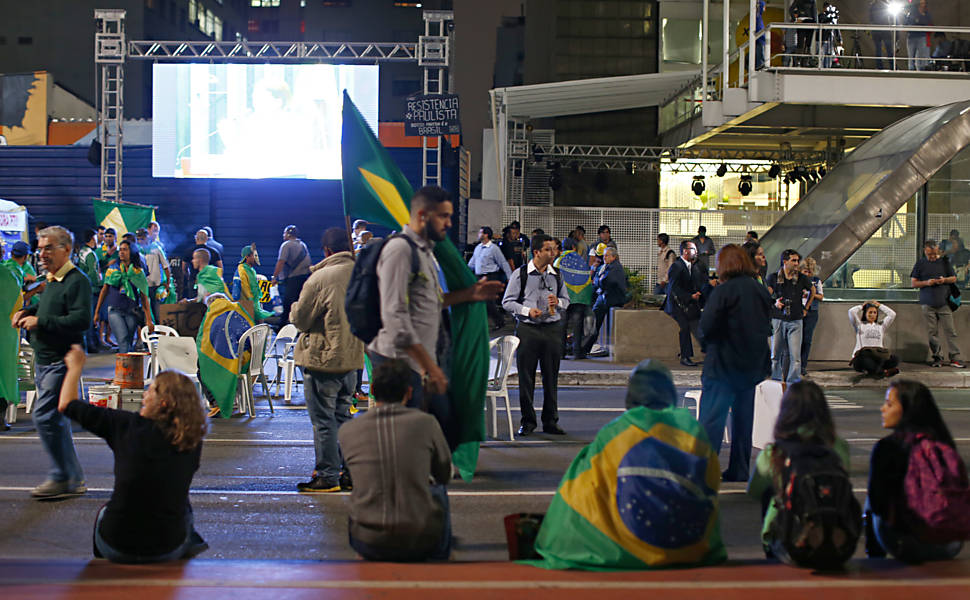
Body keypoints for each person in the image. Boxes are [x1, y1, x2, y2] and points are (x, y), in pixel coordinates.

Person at [531, 360, 726, 570]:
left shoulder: (616, 432)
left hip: (626, 543)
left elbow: (582, 486)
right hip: (686, 544)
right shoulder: (692, 431)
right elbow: (711, 483)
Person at [368, 186, 503, 448]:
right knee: (408, 444)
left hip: (419, 364)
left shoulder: (425, 253)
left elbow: (429, 303)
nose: (449, 223)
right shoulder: (400, 251)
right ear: (422, 215)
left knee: (442, 436)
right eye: (443, 216)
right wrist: (430, 368)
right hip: (400, 365)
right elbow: (395, 316)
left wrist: (469, 295)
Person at [57, 345, 208, 563]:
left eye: (151, 390)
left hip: (117, 545)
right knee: (182, 504)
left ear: (163, 403)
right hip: (167, 549)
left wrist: (75, 367)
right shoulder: (191, 440)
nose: (144, 395)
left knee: (104, 513)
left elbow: (67, 404)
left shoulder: (125, 425)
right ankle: (187, 546)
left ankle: (102, 566)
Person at [338, 358, 453, 562]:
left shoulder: (348, 430)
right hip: (420, 537)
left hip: (367, 539)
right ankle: (441, 560)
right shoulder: (426, 423)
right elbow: (444, 474)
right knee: (438, 491)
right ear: (409, 392)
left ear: (372, 389)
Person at [12, 226, 91, 499]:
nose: (41, 254)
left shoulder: (77, 280)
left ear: (66, 249)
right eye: (40, 248)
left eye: (48, 248)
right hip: (45, 361)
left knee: (44, 416)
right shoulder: (54, 279)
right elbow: (49, 306)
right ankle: (73, 478)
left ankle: (61, 476)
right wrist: (27, 311)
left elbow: (81, 319)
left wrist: (40, 322)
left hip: (61, 360)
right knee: (56, 420)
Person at [747, 380, 856, 568]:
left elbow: (754, 491)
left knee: (769, 492)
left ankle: (772, 543)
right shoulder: (838, 447)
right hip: (838, 538)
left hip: (791, 541)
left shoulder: (775, 453)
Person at [291, 228, 363, 493]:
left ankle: (328, 476)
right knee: (343, 417)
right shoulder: (362, 274)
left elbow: (301, 320)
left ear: (327, 251)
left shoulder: (320, 278)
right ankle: (349, 473)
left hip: (323, 358)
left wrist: (293, 308)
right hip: (352, 357)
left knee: (323, 421)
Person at [866, 380, 965, 563]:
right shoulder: (943, 443)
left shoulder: (888, 447)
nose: (883, 409)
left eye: (889, 404)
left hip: (906, 544)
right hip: (950, 544)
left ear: (906, 410)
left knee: (870, 502)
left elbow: (877, 502)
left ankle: (874, 556)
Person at [698, 244, 772, 482]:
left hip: (723, 364)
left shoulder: (724, 291)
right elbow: (767, 326)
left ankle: (705, 471)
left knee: (712, 420)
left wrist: (706, 346)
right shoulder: (759, 290)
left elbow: (707, 326)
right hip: (750, 365)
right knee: (743, 420)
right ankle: (739, 469)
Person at [502, 233, 570, 436]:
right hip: (528, 330)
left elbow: (567, 300)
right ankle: (528, 422)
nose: (553, 253)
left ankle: (551, 421)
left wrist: (558, 302)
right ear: (537, 252)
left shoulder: (557, 275)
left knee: (551, 377)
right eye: (548, 249)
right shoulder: (521, 274)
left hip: (552, 330)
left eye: (554, 249)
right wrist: (526, 311)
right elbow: (507, 302)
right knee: (526, 378)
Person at [94, 240, 154, 354]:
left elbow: (144, 297)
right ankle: (125, 364)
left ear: (132, 252)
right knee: (123, 339)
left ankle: (127, 364)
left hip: (132, 311)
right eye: (120, 250)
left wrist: (149, 320)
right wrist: (97, 312)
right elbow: (104, 291)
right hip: (114, 311)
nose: (121, 252)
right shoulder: (113, 270)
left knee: (128, 342)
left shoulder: (137, 272)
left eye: (125, 250)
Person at [910, 240, 963, 368]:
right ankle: (937, 357)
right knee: (932, 333)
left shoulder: (944, 262)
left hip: (944, 302)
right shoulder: (920, 264)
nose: (933, 256)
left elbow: (954, 278)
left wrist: (944, 280)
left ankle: (955, 357)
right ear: (925, 251)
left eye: (934, 254)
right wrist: (927, 283)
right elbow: (914, 283)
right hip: (928, 303)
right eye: (930, 254)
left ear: (938, 250)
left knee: (950, 331)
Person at [766, 249, 812, 382]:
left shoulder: (801, 278)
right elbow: (767, 294)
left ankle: (793, 382)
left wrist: (806, 308)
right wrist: (774, 303)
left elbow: (813, 290)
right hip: (778, 319)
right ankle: (775, 380)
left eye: (797, 260)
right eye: (793, 260)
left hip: (796, 319)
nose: (797, 263)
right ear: (785, 261)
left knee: (795, 356)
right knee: (775, 354)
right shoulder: (774, 277)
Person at [664, 240, 703, 367]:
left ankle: (706, 353)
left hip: (688, 304)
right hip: (676, 305)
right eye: (693, 249)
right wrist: (689, 296)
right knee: (685, 327)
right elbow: (674, 288)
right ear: (685, 251)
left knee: (699, 324)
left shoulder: (692, 266)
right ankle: (685, 357)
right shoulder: (677, 266)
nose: (696, 252)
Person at [554, 237, 593, 360]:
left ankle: (561, 353)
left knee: (562, 325)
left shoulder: (558, 261)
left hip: (564, 298)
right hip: (579, 298)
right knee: (577, 326)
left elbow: (554, 280)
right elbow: (588, 280)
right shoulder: (581, 261)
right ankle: (577, 352)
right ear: (574, 248)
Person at [467, 226, 512, 330]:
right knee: (478, 301)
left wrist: (509, 276)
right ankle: (480, 323)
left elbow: (502, 262)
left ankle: (499, 321)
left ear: (486, 235)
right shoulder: (478, 248)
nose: (478, 235)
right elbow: (472, 263)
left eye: (480, 233)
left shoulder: (493, 249)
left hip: (490, 276)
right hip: (478, 277)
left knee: (489, 301)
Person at [588, 247, 627, 353]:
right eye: (604, 255)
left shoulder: (615, 267)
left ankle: (597, 346)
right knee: (595, 320)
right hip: (605, 297)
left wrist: (598, 281)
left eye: (607, 255)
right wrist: (599, 280)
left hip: (611, 299)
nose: (604, 257)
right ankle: (589, 345)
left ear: (613, 257)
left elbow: (605, 280)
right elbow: (598, 279)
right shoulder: (606, 266)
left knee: (602, 323)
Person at [272, 225, 311, 324]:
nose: (283, 235)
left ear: (288, 234)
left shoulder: (286, 245)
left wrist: (275, 277)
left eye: (284, 233)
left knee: (288, 302)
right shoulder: (303, 245)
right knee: (299, 302)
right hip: (304, 278)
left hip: (293, 278)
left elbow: (281, 262)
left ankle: (282, 325)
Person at [848, 301, 899, 377]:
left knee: (895, 358)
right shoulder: (859, 325)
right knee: (866, 361)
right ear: (865, 313)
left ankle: (878, 370)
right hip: (862, 357)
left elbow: (892, 314)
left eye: (875, 312)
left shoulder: (881, 326)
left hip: (877, 356)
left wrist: (879, 305)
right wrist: (862, 306)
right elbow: (851, 311)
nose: (872, 315)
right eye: (870, 312)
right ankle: (883, 371)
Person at [136, 228, 171, 322]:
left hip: (157, 286)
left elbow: (166, 266)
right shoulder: (137, 251)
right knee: (145, 316)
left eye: (142, 238)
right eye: (138, 239)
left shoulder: (156, 249)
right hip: (143, 287)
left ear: (147, 237)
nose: (140, 241)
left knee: (158, 314)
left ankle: (160, 330)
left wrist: (168, 283)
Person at [231, 244, 272, 323]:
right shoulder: (241, 270)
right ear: (247, 257)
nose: (256, 258)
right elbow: (236, 291)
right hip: (246, 305)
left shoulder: (251, 270)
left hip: (254, 304)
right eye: (254, 256)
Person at [77, 229, 103, 351]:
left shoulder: (82, 251)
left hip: (83, 289)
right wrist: (101, 283)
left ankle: (89, 343)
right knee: (93, 317)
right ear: (93, 238)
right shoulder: (91, 254)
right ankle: (92, 345)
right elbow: (94, 274)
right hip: (92, 290)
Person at [799, 257, 823, 377]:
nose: (807, 274)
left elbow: (821, 296)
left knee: (807, 339)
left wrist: (810, 294)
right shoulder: (796, 280)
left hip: (811, 312)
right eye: (805, 271)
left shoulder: (816, 281)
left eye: (809, 272)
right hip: (798, 310)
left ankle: (803, 365)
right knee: (796, 339)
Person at [5, 240, 44, 305]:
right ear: (26, 256)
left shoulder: (5, 265)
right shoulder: (15, 269)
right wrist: (36, 289)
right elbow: (19, 299)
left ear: (11, 253)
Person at [905, 0, 933, 71]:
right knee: (911, 55)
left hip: (922, 36)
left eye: (924, 3)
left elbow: (927, 23)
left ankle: (921, 70)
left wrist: (918, 20)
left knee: (921, 55)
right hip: (911, 37)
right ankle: (911, 69)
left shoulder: (927, 14)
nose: (923, 5)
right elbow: (908, 23)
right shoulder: (912, 13)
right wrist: (917, 21)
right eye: (921, 3)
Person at [870, 0, 894, 69]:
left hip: (877, 31)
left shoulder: (873, 5)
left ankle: (880, 67)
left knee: (879, 50)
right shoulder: (886, 4)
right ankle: (892, 67)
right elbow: (892, 18)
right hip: (884, 30)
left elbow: (871, 19)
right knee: (888, 50)